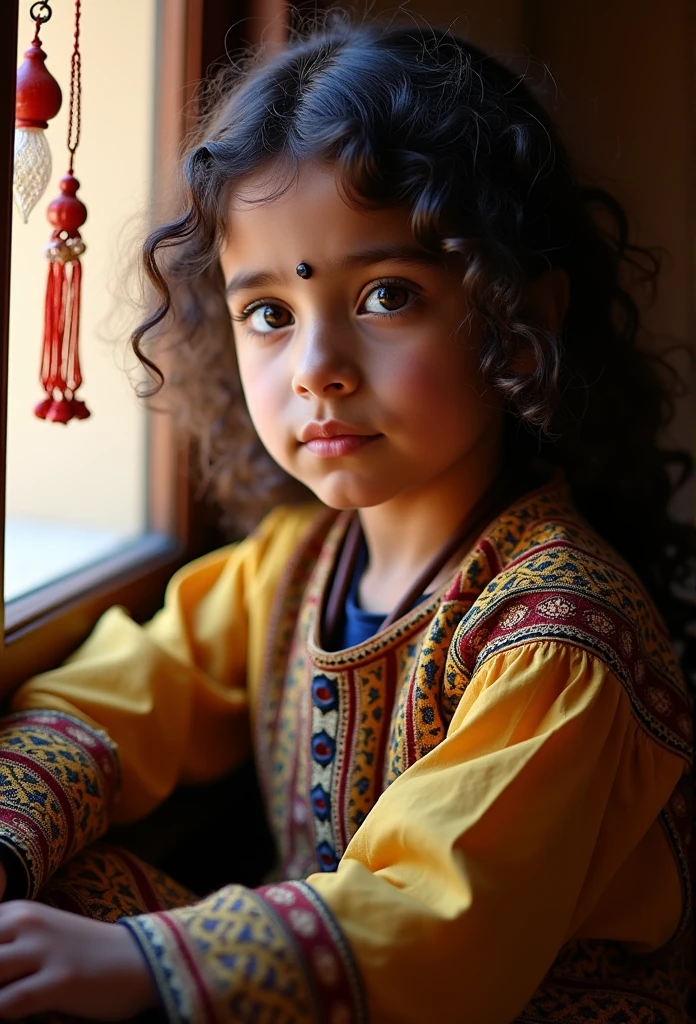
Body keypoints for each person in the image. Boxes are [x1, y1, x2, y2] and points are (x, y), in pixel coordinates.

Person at [0, 19, 693, 1024]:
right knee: (55, 896)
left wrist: (146, 961)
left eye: (386, 294)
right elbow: (128, 693)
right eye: (269, 312)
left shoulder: (562, 636)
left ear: (521, 315)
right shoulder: (293, 565)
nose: (316, 365)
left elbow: (435, 921)